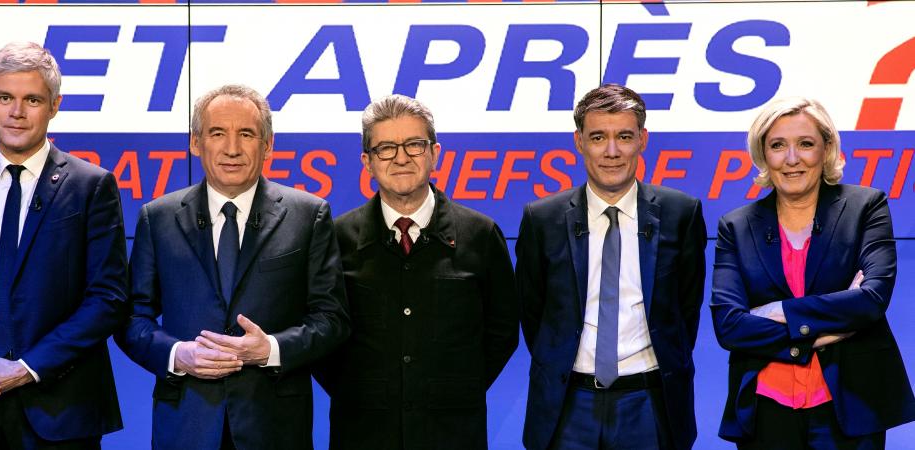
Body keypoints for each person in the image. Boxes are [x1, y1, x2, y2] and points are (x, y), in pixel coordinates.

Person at [0, 42, 128, 449]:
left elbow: (108, 299)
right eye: (5, 98)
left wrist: (24, 368)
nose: (16, 112)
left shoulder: (91, 186)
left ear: (54, 105)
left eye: (32, 99)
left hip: (57, 408)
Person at [120, 84, 349, 450]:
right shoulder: (157, 218)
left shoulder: (308, 216)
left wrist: (271, 348)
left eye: (246, 134)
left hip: (274, 427)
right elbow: (132, 319)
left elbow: (332, 319)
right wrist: (179, 355)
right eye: (217, 134)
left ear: (268, 145)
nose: (232, 148)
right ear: (196, 142)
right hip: (186, 426)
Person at [710, 96, 915, 449]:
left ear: (827, 149)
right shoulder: (737, 225)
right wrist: (824, 331)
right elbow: (729, 326)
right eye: (777, 146)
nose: (792, 159)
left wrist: (780, 313)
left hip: (850, 404)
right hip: (765, 407)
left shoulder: (865, 207)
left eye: (805, 144)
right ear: (763, 154)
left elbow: (870, 300)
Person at [318, 94, 519, 449]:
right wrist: (363, 393)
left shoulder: (481, 234)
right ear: (367, 161)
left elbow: (501, 333)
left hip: (453, 434)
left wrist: (453, 390)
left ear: (434, 153)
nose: (400, 158)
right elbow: (321, 334)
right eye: (385, 148)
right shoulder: (336, 237)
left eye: (414, 144)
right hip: (362, 433)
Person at [515, 84, 707, 450]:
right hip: (568, 403)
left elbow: (685, 311)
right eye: (598, 137)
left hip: (650, 401)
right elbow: (533, 313)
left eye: (624, 136)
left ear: (643, 139)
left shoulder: (681, 213)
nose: (612, 151)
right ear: (579, 141)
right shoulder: (543, 218)